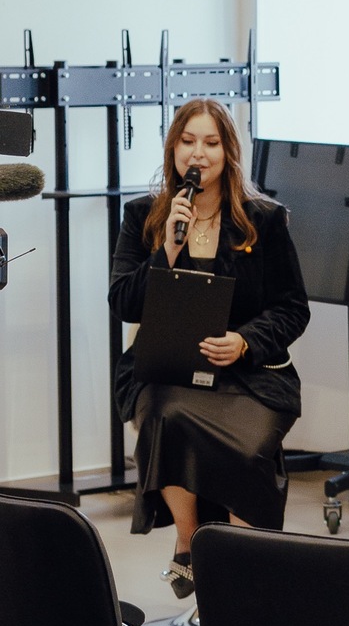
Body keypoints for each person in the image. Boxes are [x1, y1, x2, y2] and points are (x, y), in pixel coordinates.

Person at [110, 98, 310, 595]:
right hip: (169, 369)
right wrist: (167, 250)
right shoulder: (143, 216)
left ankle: (240, 568)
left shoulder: (264, 220)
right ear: (173, 149)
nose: (198, 154)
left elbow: (293, 308)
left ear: (228, 152)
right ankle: (189, 542)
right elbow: (124, 303)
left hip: (252, 373)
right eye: (188, 141)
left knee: (248, 448)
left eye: (211, 143)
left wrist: (245, 341)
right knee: (164, 416)